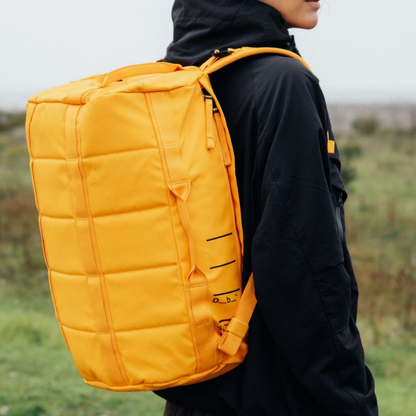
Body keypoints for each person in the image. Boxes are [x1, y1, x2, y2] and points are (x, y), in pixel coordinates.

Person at [156, 0, 379, 415]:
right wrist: (351, 397)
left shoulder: (174, 79)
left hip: (197, 385)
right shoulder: (283, 82)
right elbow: (302, 262)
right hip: (278, 388)